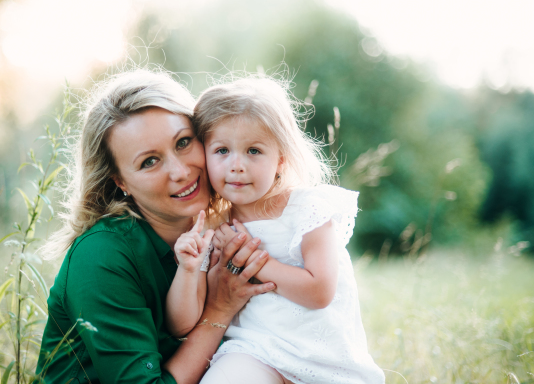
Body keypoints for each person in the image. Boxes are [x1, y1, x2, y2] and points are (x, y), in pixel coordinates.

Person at [34, 69, 276, 384]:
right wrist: (219, 309)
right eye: (150, 161)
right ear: (120, 182)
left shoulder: (227, 227)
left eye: (184, 142)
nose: (180, 171)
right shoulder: (101, 256)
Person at [166, 76, 385, 384]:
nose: (237, 165)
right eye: (222, 151)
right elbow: (181, 324)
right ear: (205, 155)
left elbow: (319, 291)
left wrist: (255, 261)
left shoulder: (307, 210)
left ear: (281, 158)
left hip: (323, 359)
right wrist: (188, 271)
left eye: (254, 151)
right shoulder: (213, 227)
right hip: (253, 353)